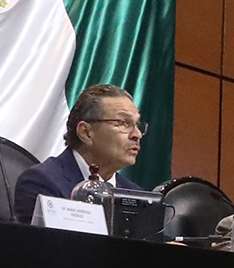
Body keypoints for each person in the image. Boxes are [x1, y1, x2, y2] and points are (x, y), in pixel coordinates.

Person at [15, 83, 147, 221]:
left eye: (137, 125)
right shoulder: (43, 183)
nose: (137, 134)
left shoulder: (135, 195)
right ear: (86, 132)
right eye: (123, 123)